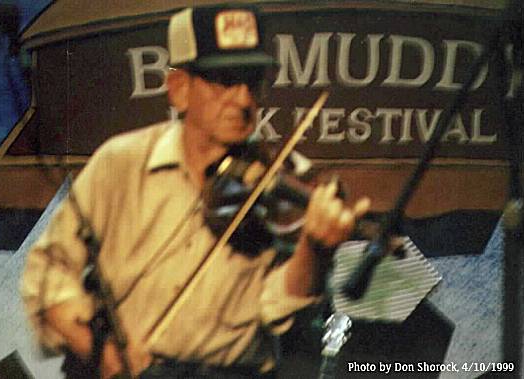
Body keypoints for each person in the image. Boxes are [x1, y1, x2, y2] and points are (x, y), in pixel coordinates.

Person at [21, 5, 370, 379]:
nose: (243, 100)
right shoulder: (119, 164)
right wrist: (102, 351)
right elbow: (49, 274)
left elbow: (278, 309)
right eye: (224, 80)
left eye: (252, 80)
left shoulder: (288, 179)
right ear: (179, 89)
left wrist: (313, 251)